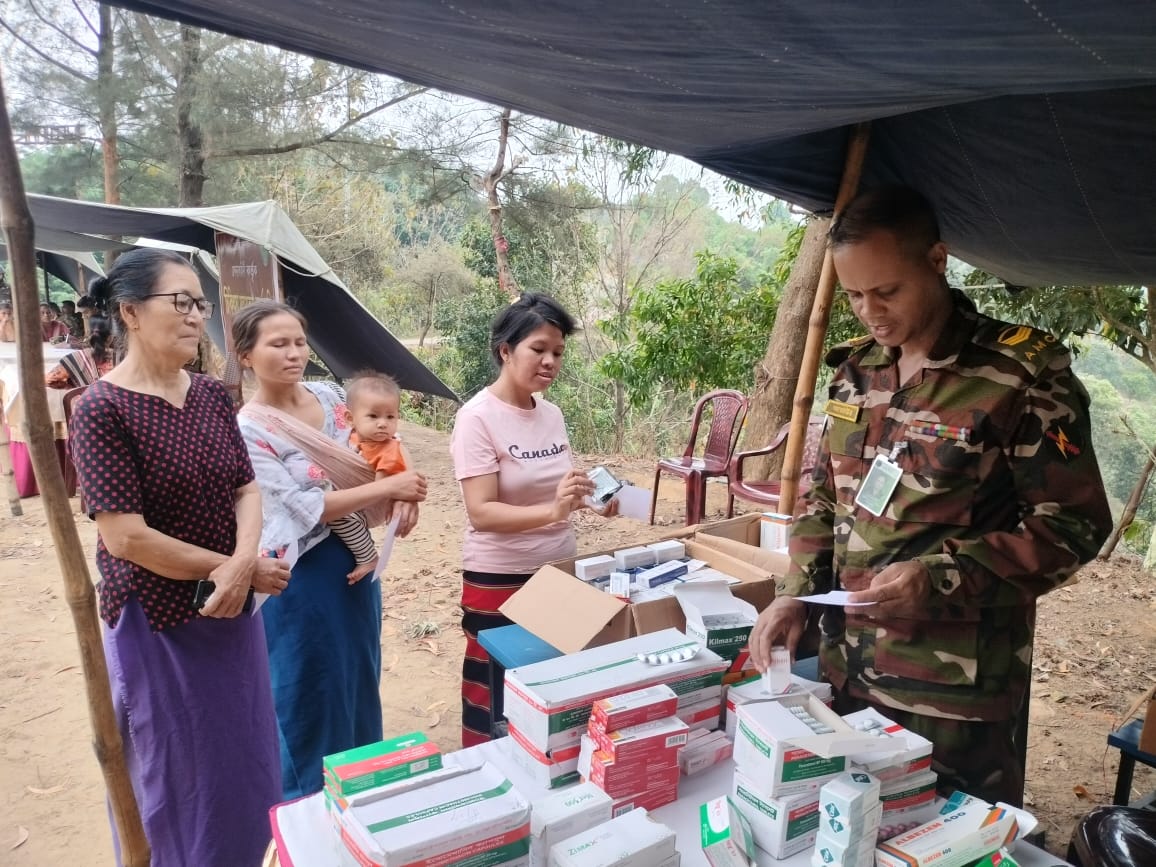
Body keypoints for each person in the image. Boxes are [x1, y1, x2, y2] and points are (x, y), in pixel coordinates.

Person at [749, 186, 1112, 808]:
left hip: (952, 695)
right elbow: (824, 497)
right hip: (848, 672)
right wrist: (795, 594)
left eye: (887, 291)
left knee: (951, 838)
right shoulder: (855, 372)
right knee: (852, 828)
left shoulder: (1019, 376)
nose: (870, 312)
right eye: (854, 295)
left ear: (937, 260)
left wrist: (942, 576)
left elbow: (1072, 526)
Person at [67, 248, 290, 866]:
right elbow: (126, 538)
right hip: (159, 621)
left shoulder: (214, 395)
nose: (197, 315)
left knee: (243, 758)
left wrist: (240, 565)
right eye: (182, 302)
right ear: (131, 312)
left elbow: (246, 488)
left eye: (201, 303)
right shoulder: (101, 409)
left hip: (231, 611)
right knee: (178, 774)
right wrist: (234, 567)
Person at [232, 300, 428, 800]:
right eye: (278, 344)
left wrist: (402, 492)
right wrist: (389, 488)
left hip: (356, 566)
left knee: (357, 678)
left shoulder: (330, 395)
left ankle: (364, 796)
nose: (294, 353)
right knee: (308, 689)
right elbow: (305, 507)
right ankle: (308, 808)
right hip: (299, 573)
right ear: (246, 355)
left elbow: (381, 444)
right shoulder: (250, 429)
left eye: (300, 342)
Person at [450, 292, 618, 747]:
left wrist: (589, 500)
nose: (550, 362)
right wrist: (553, 511)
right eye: (538, 349)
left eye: (558, 352)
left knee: (549, 686)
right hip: (499, 579)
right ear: (505, 350)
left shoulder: (551, 414)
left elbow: (556, 490)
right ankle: (487, 770)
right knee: (496, 689)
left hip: (556, 571)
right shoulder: (476, 419)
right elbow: (482, 512)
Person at [331, 371, 409, 583]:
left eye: (390, 417)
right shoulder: (352, 437)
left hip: (371, 504)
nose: (383, 423)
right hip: (355, 494)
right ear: (350, 419)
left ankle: (367, 556)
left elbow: (380, 488)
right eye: (373, 416)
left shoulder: (388, 449)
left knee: (339, 516)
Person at [45, 308, 115, 388]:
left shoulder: (75, 358)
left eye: (85, 313)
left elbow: (49, 381)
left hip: (86, 395)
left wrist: (70, 386)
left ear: (90, 334)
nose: (82, 316)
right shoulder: (121, 359)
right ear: (111, 338)